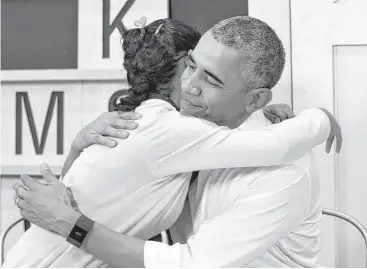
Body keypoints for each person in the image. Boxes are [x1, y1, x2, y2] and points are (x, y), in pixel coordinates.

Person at [9, 17, 341, 268]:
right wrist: (78, 149)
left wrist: (320, 119)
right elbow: (88, 197)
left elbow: (188, 264)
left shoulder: (282, 169)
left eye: (211, 79)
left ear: (255, 100)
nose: (190, 87)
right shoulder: (174, 132)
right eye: (191, 67)